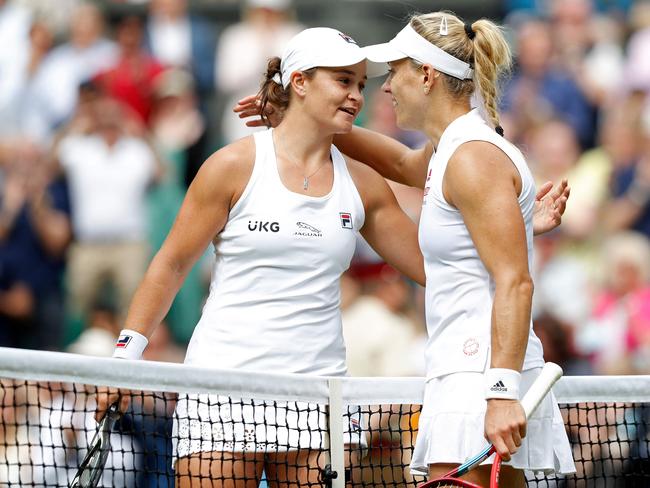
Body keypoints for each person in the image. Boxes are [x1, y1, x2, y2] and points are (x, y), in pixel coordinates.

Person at [100, 24, 567, 488]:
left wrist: (510, 225)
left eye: (362, 83)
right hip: (222, 390)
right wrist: (125, 356)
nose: (361, 95)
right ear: (299, 82)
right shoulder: (231, 167)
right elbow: (172, 264)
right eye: (344, 81)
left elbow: (438, 267)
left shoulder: (368, 183)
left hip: (319, 397)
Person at [235, 12, 575, 488]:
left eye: (394, 71)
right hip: (470, 369)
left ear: (427, 75)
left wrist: (500, 392)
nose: (386, 87)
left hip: (479, 374)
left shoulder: (473, 156)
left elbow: (515, 281)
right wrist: (303, 114)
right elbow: (402, 163)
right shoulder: (454, 148)